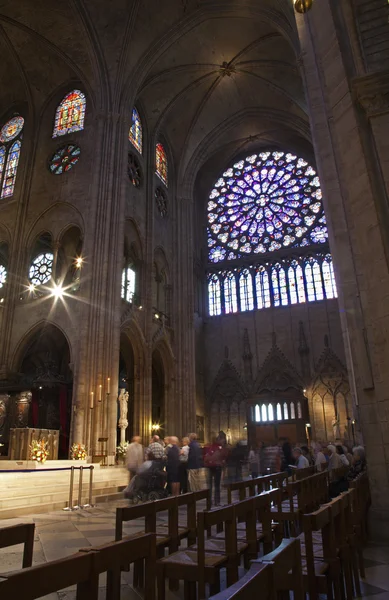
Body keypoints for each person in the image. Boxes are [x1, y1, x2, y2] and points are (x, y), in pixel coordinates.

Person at [204, 438, 226, 505]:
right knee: (217, 485)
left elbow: (205, 457)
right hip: (217, 467)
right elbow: (224, 457)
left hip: (209, 467)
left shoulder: (209, 447)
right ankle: (217, 501)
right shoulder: (220, 448)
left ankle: (209, 501)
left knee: (209, 485)